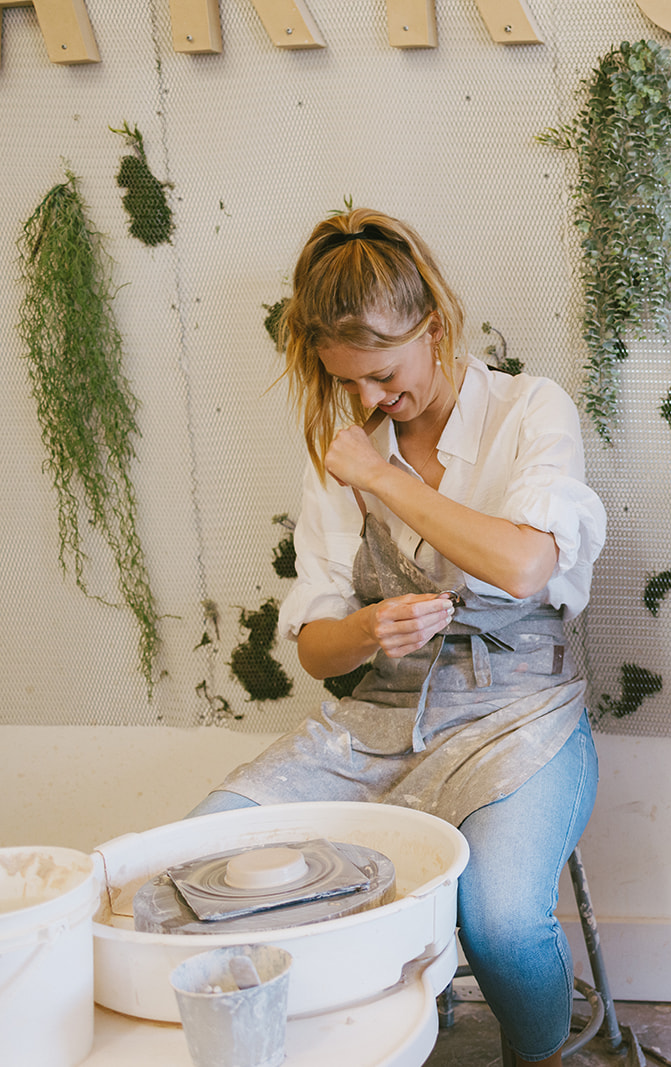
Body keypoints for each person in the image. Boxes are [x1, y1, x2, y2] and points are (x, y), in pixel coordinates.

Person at [189, 208, 606, 1067]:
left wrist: (383, 476)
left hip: (520, 715)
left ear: (436, 328)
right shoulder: (340, 450)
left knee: (495, 918)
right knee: (208, 852)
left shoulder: (529, 408)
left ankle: (540, 1058)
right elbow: (313, 649)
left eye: (381, 373)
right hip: (377, 724)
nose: (369, 400)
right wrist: (369, 631)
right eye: (348, 383)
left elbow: (526, 565)